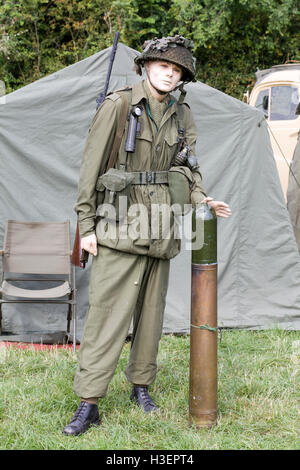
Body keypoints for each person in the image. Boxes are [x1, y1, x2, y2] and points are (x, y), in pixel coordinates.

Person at [63, 35, 231, 436]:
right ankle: (89, 403)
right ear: (145, 66)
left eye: (176, 70)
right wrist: (86, 227)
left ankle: (142, 386)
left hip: (162, 228)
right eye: (162, 66)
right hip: (119, 225)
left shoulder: (181, 114)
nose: (169, 73)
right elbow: (89, 172)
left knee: (151, 317)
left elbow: (187, 168)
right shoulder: (119, 105)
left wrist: (202, 199)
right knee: (107, 316)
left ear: (181, 77)